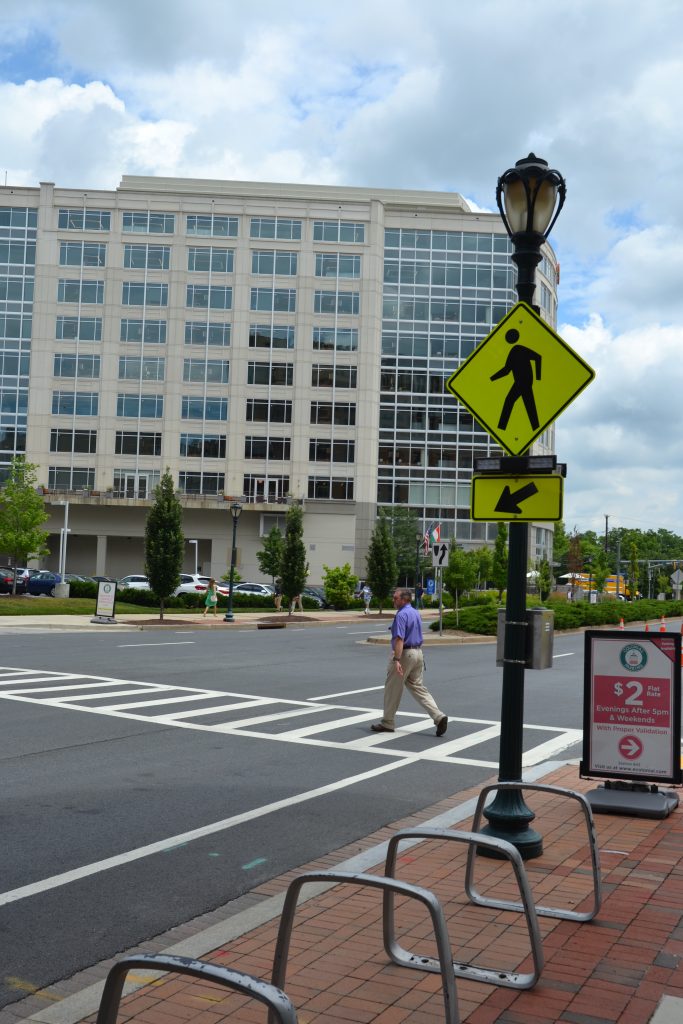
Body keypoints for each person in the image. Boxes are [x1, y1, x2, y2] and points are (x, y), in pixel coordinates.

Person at [371, 588, 448, 737]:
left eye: (395, 598)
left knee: (393, 688)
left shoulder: (401, 615)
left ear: (404, 599)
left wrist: (397, 659)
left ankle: (387, 722)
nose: (393, 600)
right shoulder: (414, 612)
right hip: (418, 653)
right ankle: (438, 716)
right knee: (418, 687)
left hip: (405, 654)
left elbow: (400, 638)